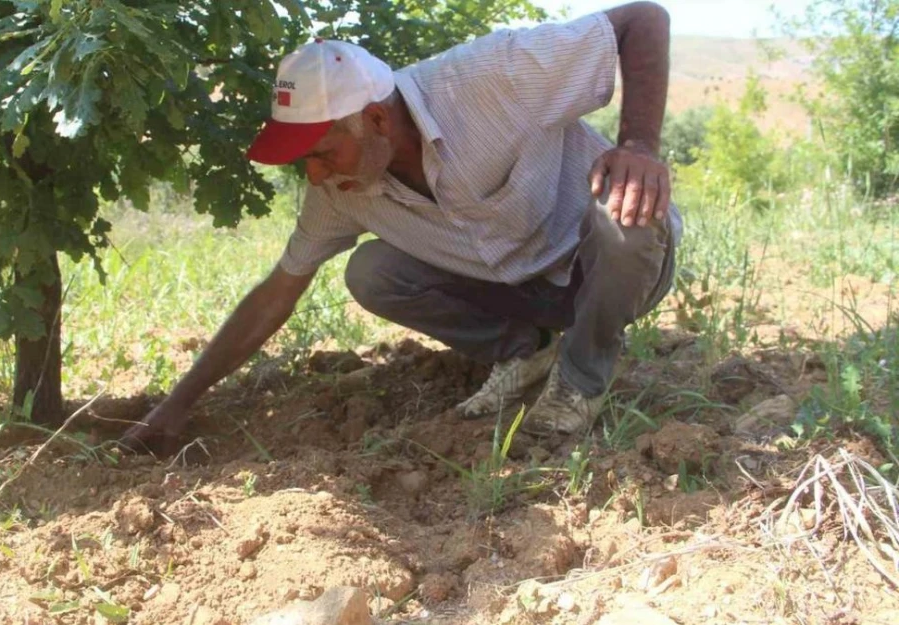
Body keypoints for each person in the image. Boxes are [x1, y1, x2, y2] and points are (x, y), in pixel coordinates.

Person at [120, 1, 682, 454]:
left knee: (625, 215)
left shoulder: (492, 76)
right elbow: (275, 295)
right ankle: (524, 351)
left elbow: (643, 20)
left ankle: (578, 383)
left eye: (322, 152)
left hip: (609, 271)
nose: (314, 173)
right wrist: (178, 402)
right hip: (523, 293)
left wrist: (637, 145)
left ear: (376, 119)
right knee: (372, 272)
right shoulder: (338, 190)